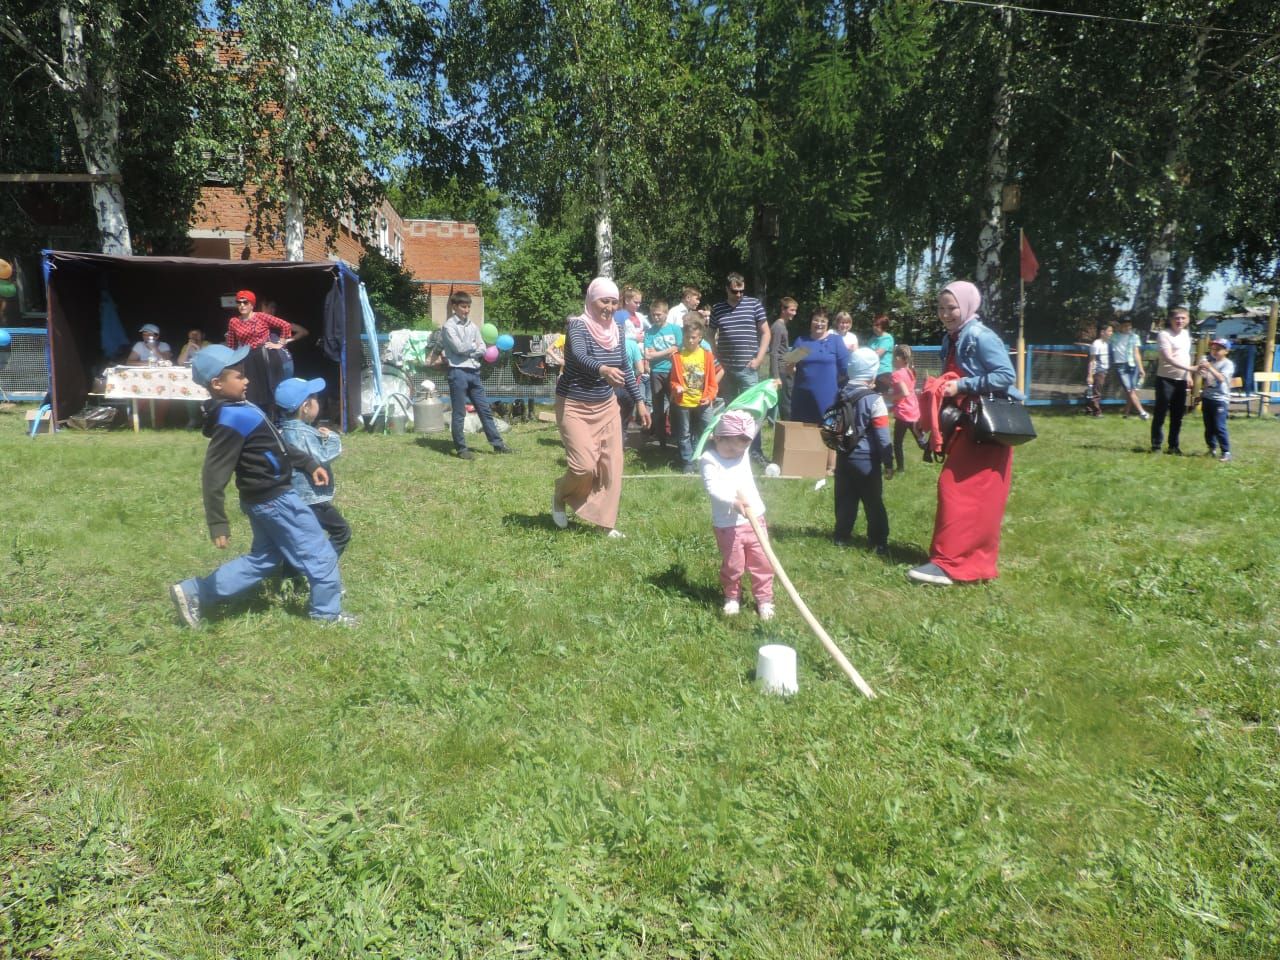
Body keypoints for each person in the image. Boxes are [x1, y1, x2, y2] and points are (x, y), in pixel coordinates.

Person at [169, 345, 356, 627]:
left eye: (245, 374)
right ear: (217, 384)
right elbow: (213, 474)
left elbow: (276, 446)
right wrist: (217, 522)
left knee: (266, 559)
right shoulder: (232, 419)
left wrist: (308, 464)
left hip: (262, 501)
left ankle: (194, 591)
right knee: (320, 552)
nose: (247, 380)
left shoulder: (239, 408)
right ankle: (327, 615)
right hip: (277, 500)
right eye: (239, 376)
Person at [908, 281, 1019, 587]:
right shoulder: (952, 338)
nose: (946, 314)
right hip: (967, 425)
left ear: (968, 306)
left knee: (956, 488)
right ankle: (969, 562)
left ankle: (951, 564)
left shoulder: (980, 336)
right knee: (972, 494)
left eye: (952, 307)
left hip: (986, 427)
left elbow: (1006, 375)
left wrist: (962, 385)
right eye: (941, 308)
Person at [551, 277, 651, 538]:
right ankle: (560, 493)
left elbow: (626, 367)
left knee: (612, 466)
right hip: (574, 403)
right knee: (584, 466)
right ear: (591, 300)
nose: (609, 307)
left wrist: (640, 401)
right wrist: (603, 369)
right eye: (603, 301)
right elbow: (581, 356)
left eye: (613, 302)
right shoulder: (577, 326)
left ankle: (604, 523)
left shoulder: (617, 329)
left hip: (606, 405)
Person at [700, 410, 773, 620]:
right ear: (717, 437)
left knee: (763, 562)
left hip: (755, 517)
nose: (735, 453)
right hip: (728, 524)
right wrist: (733, 502)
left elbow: (755, 424)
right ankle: (732, 596)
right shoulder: (708, 460)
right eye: (730, 448)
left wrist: (766, 399)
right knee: (733, 564)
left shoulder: (742, 451)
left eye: (740, 449)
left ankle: (764, 599)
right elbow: (712, 488)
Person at [276, 376, 352, 557]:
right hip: (312, 500)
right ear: (305, 407)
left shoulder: (281, 431)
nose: (319, 401)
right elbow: (324, 456)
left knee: (297, 541)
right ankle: (324, 571)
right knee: (341, 532)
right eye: (316, 398)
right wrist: (332, 437)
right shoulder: (304, 433)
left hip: (291, 497)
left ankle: (292, 580)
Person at [833, 348, 894, 554]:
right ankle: (878, 541)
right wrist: (888, 462)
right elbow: (883, 436)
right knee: (873, 502)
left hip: (843, 457)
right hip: (867, 460)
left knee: (845, 499)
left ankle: (841, 536)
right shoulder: (875, 400)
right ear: (873, 373)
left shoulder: (840, 394)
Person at [440, 290, 513, 460]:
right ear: (454, 306)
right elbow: (459, 348)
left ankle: (498, 445)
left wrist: (473, 347)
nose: (466, 310)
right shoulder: (448, 327)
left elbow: (482, 348)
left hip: (474, 372)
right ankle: (461, 449)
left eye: (468, 307)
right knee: (459, 413)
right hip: (457, 372)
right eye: (463, 307)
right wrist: (473, 346)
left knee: (485, 410)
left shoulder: (473, 326)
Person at [709, 272, 771, 463]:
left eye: (741, 291)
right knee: (730, 411)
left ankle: (755, 452)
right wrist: (717, 359)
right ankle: (730, 450)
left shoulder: (754, 304)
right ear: (727, 289)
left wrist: (759, 359)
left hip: (748, 369)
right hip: (727, 371)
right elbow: (710, 335)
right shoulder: (718, 309)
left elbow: (766, 333)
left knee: (753, 412)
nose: (739, 295)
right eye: (735, 291)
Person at [787, 308, 849, 475]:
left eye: (823, 321)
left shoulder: (835, 341)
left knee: (830, 428)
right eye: (816, 320)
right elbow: (789, 366)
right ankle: (802, 463)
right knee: (802, 427)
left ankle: (831, 467)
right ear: (811, 322)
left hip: (828, 394)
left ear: (828, 324)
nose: (819, 324)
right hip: (803, 394)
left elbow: (845, 369)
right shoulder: (802, 342)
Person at [224, 290, 297, 420]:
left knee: (270, 389)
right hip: (247, 356)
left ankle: (276, 421)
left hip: (265, 355)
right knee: (251, 391)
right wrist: (232, 361)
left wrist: (280, 343)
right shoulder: (234, 321)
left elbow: (285, 325)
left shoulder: (261, 316)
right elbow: (231, 344)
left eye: (245, 302)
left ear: (252, 305)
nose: (242, 305)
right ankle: (256, 420)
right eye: (239, 303)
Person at [670, 314, 719, 473]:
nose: (690, 341)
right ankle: (687, 462)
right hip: (683, 402)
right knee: (684, 433)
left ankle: (706, 458)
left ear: (700, 338)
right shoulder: (677, 357)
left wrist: (709, 396)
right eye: (687, 338)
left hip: (703, 401)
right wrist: (676, 387)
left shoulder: (707, 356)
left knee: (707, 431)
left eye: (693, 337)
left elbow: (712, 382)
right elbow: (673, 381)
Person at [1151, 307, 1196, 455]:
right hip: (1165, 379)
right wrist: (1191, 368)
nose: (1180, 321)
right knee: (1161, 413)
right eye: (1177, 318)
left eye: (1183, 318)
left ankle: (1173, 446)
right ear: (1170, 320)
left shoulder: (1185, 334)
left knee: (1178, 415)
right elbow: (1169, 358)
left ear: (1188, 320)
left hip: (1181, 380)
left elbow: (1186, 355)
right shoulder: (1164, 335)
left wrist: (1188, 375)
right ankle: (1156, 445)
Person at [643, 299, 681, 448]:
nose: (655, 317)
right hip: (657, 372)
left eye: (659, 314)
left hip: (673, 371)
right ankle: (661, 440)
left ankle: (677, 437)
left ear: (666, 313)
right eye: (653, 315)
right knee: (658, 407)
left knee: (676, 405)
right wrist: (668, 351)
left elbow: (677, 348)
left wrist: (657, 353)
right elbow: (648, 355)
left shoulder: (675, 329)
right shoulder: (650, 332)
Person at [889, 343, 926, 471]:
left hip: (903, 413)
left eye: (893, 358)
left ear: (899, 358)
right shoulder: (910, 371)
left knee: (897, 442)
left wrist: (890, 398)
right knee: (920, 439)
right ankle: (932, 450)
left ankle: (900, 469)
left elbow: (904, 393)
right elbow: (910, 391)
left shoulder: (897, 374)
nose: (892, 360)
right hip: (913, 410)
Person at [1197, 337, 1234, 462]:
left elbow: (1221, 378)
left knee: (1219, 426)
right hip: (1208, 398)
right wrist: (1202, 394)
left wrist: (1209, 368)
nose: (1215, 351)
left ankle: (1226, 451)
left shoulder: (1227, 364)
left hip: (1220, 400)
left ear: (1226, 351)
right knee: (1209, 426)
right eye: (1213, 348)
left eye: (1218, 349)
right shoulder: (1211, 363)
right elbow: (1208, 381)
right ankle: (1211, 448)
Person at [1110, 318, 1148, 419]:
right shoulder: (1114, 336)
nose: (1128, 328)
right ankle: (1142, 412)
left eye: (1129, 326)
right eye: (1125, 326)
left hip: (1132, 365)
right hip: (1120, 365)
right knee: (1130, 389)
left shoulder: (1134, 337)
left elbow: (1136, 353)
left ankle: (1126, 413)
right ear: (1121, 326)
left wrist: (1141, 369)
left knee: (1131, 391)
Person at [769, 297, 796, 423]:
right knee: (786, 402)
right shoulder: (778, 327)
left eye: (795, 310)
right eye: (791, 310)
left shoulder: (783, 326)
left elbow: (783, 350)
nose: (794, 313)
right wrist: (776, 376)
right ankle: (787, 426)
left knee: (788, 399)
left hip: (786, 366)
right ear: (783, 309)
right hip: (781, 370)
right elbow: (774, 352)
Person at [1084, 321, 1113, 417]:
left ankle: (1089, 409)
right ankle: (1097, 412)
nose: (1111, 333)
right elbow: (1092, 360)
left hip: (1104, 371)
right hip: (1098, 371)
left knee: (1096, 391)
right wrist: (1090, 375)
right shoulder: (1096, 344)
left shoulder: (1107, 343)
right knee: (1097, 393)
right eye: (1109, 331)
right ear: (1102, 332)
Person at [867, 314, 895, 394]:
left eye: (877, 325)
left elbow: (877, 354)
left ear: (884, 326)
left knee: (880, 398)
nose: (874, 327)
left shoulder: (888, 338)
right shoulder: (872, 339)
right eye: (874, 325)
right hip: (872, 373)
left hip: (883, 373)